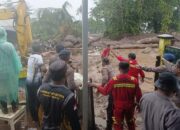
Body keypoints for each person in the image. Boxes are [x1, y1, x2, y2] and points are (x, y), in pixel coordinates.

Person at [90, 62, 142, 130]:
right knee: (131, 123)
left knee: (117, 124)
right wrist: (139, 104)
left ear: (119, 69)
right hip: (130, 107)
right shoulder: (134, 80)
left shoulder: (114, 80)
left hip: (118, 107)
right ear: (129, 69)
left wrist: (95, 85)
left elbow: (105, 92)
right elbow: (139, 95)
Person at [38, 60, 81, 130]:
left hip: (45, 126)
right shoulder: (69, 96)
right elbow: (74, 122)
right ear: (65, 74)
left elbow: (39, 110)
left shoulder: (41, 89)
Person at [0, 27, 22, 114]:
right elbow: (15, 59)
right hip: (10, 73)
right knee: (13, 89)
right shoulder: (9, 45)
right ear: (4, 34)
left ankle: (4, 110)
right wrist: (17, 70)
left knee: (1, 91)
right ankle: (15, 108)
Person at [26, 43, 45, 124]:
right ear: (39, 49)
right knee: (38, 99)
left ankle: (34, 118)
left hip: (28, 81)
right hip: (35, 82)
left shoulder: (31, 56)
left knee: (31, 99)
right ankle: (38, 118)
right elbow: (44, 69)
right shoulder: (39, 56)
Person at [101, 58, 114, 130]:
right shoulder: (110, 66)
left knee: (109, 108)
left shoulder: (105, 68)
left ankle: (109, 126)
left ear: (103, 62)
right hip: (114, 87)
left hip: (110, 88)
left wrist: (101, 86)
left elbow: (105, 78)